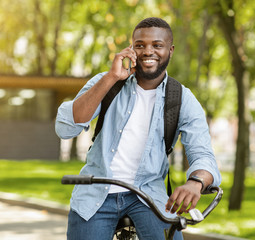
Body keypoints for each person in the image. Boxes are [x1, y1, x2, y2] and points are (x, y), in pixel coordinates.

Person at [55, 17, 221, 240]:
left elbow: (203, 154)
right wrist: (112, 77)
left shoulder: (182, 98)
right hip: (95, 192)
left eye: (157, 45)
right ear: (131, 49)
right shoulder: (106, 82)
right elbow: (65, 129)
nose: (147, 51)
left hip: (147, 196)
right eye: (140, 45)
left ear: (170, 50)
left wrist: (195, 182)